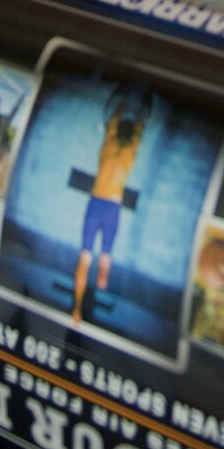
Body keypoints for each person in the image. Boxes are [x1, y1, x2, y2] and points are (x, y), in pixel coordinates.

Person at [71, 98, 147, 322]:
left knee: (85, 258)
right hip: (112, 207)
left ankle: (77, 306)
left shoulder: (108, 145)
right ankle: (101, 279)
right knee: (104, 259)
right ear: (131, 135)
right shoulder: (131, 151)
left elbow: (114, 120)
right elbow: (140, 128)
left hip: (96, 204)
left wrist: (122, 107)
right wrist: (139, 115)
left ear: (115, 132)